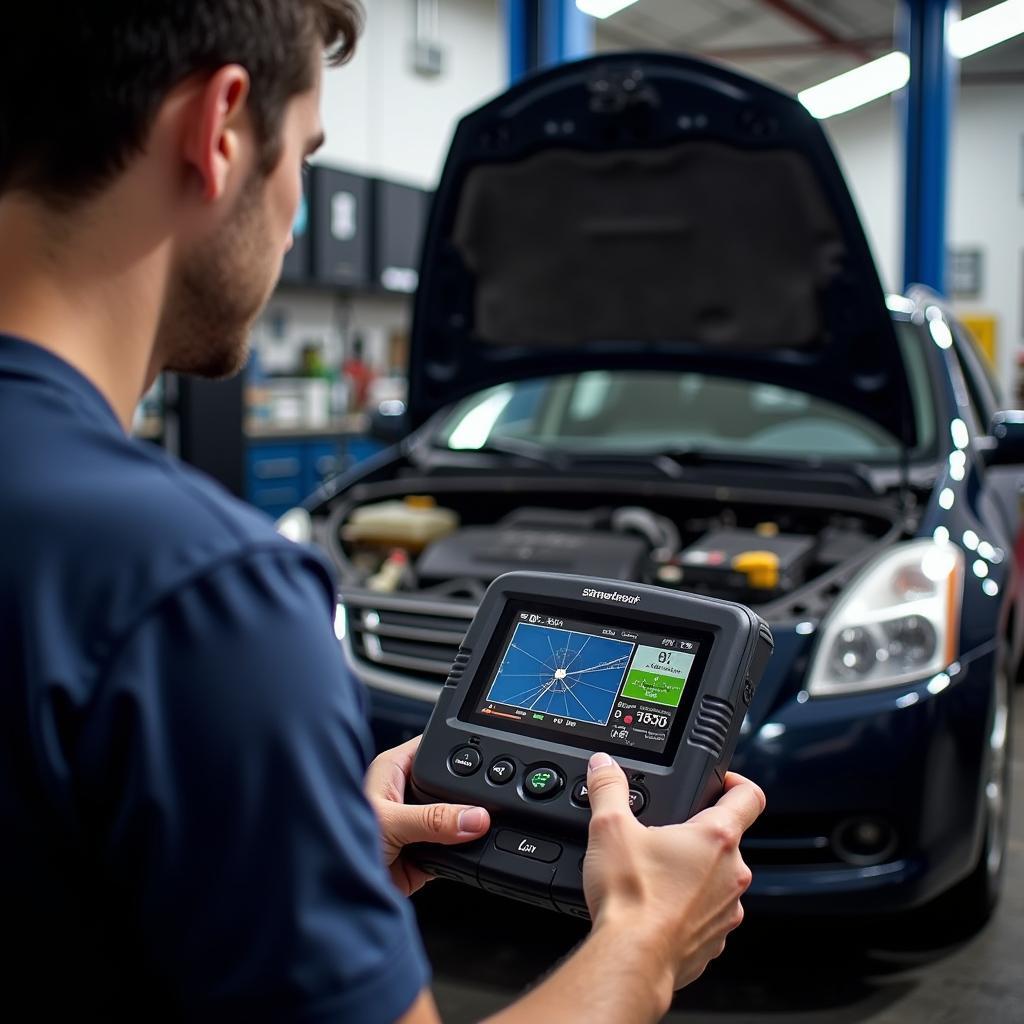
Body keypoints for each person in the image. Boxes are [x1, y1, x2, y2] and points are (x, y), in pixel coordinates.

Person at [0, 3, 765, 1022]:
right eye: (305, 156)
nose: (297, 207)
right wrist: (645, 938)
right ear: (220, 130)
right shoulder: (196, 591)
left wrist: (289, 848)